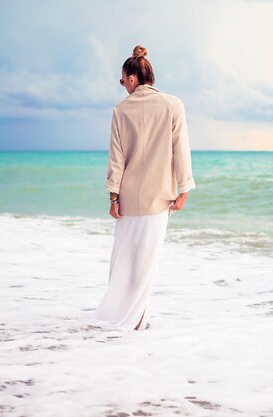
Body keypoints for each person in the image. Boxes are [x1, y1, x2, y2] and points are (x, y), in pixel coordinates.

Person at [89, 45, 196, 331]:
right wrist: (184, 189)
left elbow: (117, 158)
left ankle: (124, 318)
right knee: (146, 263)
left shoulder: (121, 110)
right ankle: (136, 322)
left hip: (128, 201)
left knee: (124, 262)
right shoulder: (174, 105)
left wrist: (113, 197)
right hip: (160, 200)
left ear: (133, 78)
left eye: (122, 80)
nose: (123, 85)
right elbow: (180, 150)